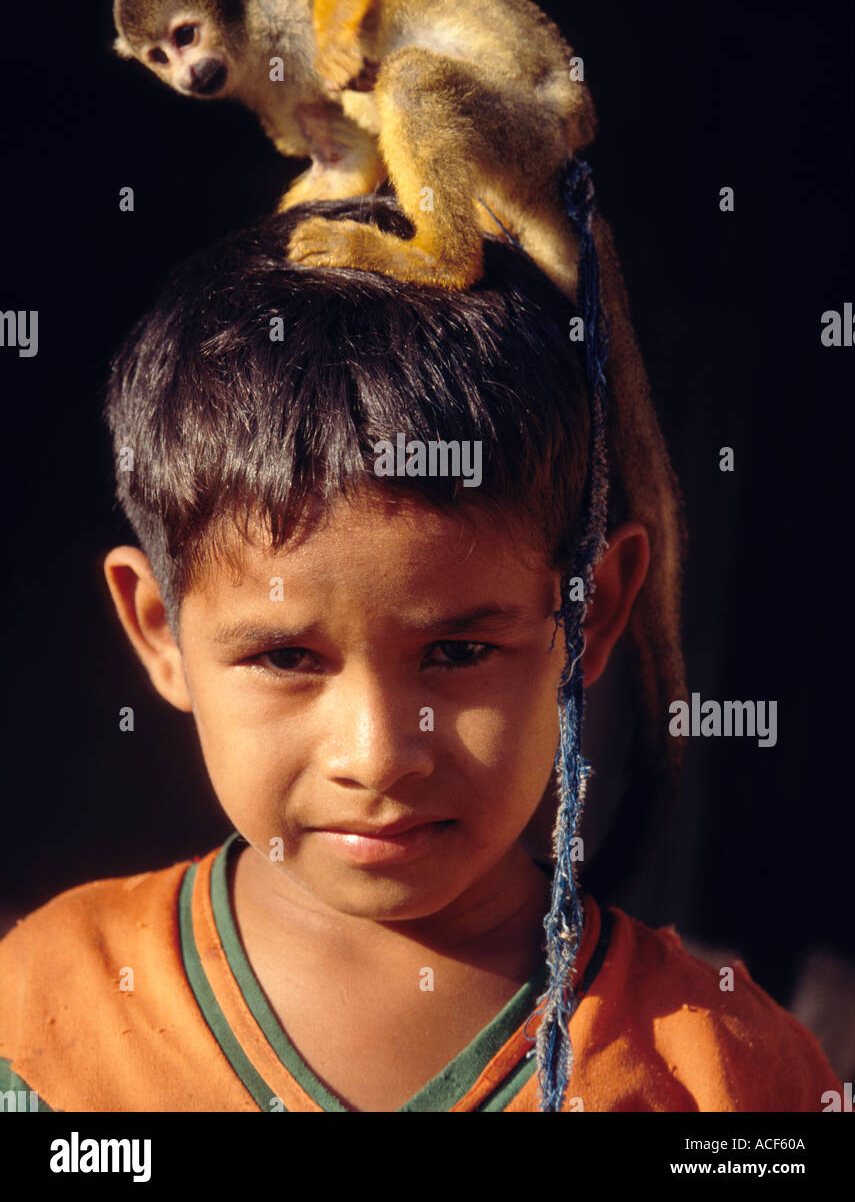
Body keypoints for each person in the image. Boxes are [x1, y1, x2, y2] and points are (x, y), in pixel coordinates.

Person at [0, 193, 841, 1112]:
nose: (378, 756)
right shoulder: (44, 1018)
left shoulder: (732, 1076)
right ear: (161, 632)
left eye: (459, 650)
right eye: (285, 659)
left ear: (591, 614)